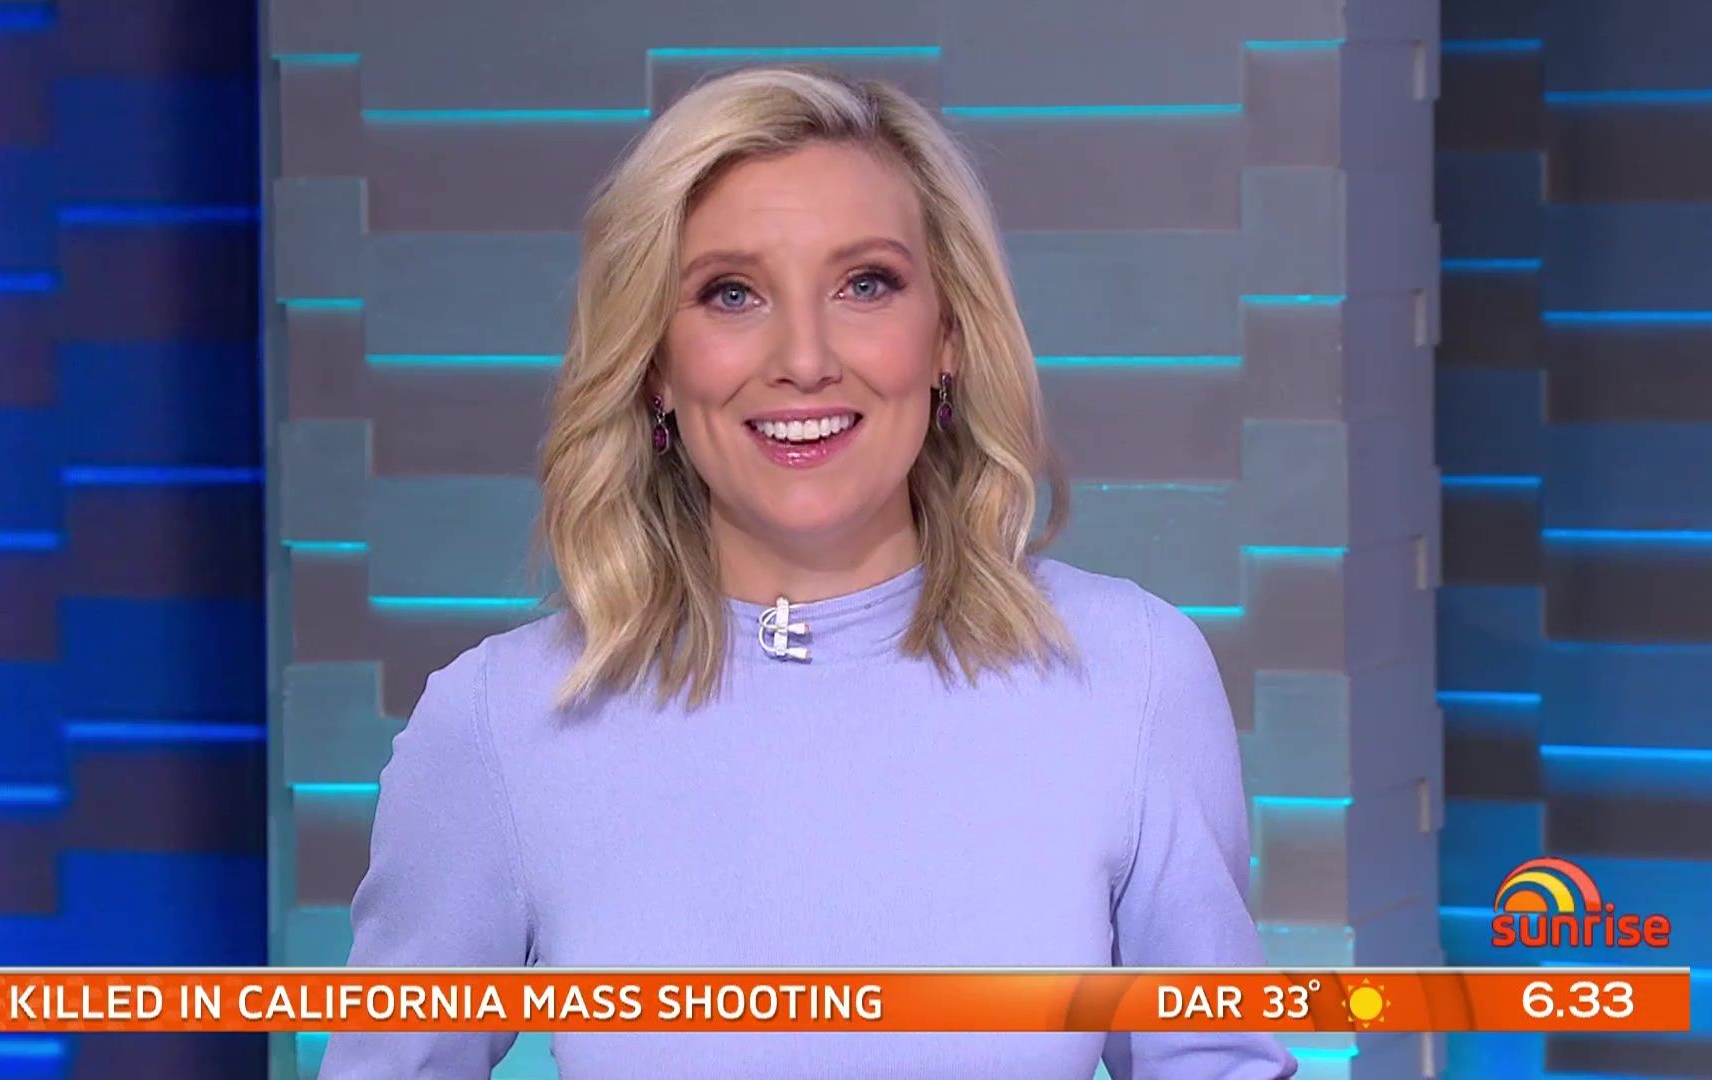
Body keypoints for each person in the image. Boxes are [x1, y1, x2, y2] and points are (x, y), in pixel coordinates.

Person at [318, 66, 1296, 1080]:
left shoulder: (1130, 674)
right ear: (654, 363)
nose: (805, 358)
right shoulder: (501, 720)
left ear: (948, 335)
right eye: (731, 293)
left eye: (865, 284)